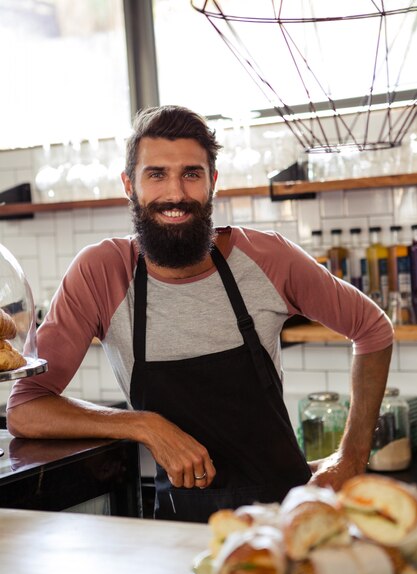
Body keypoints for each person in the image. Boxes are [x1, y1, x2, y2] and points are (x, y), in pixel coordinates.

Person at [7, 105, 393, 523]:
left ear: (213, 183)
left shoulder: (269, 258)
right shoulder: (101, 272)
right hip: (175, 529)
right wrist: (144, 426)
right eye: (156, 174)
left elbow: (373, 329)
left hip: (286, 520)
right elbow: (26, 408)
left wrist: (351, 458)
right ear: (129, 185)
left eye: (191, 173)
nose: (175, 194)